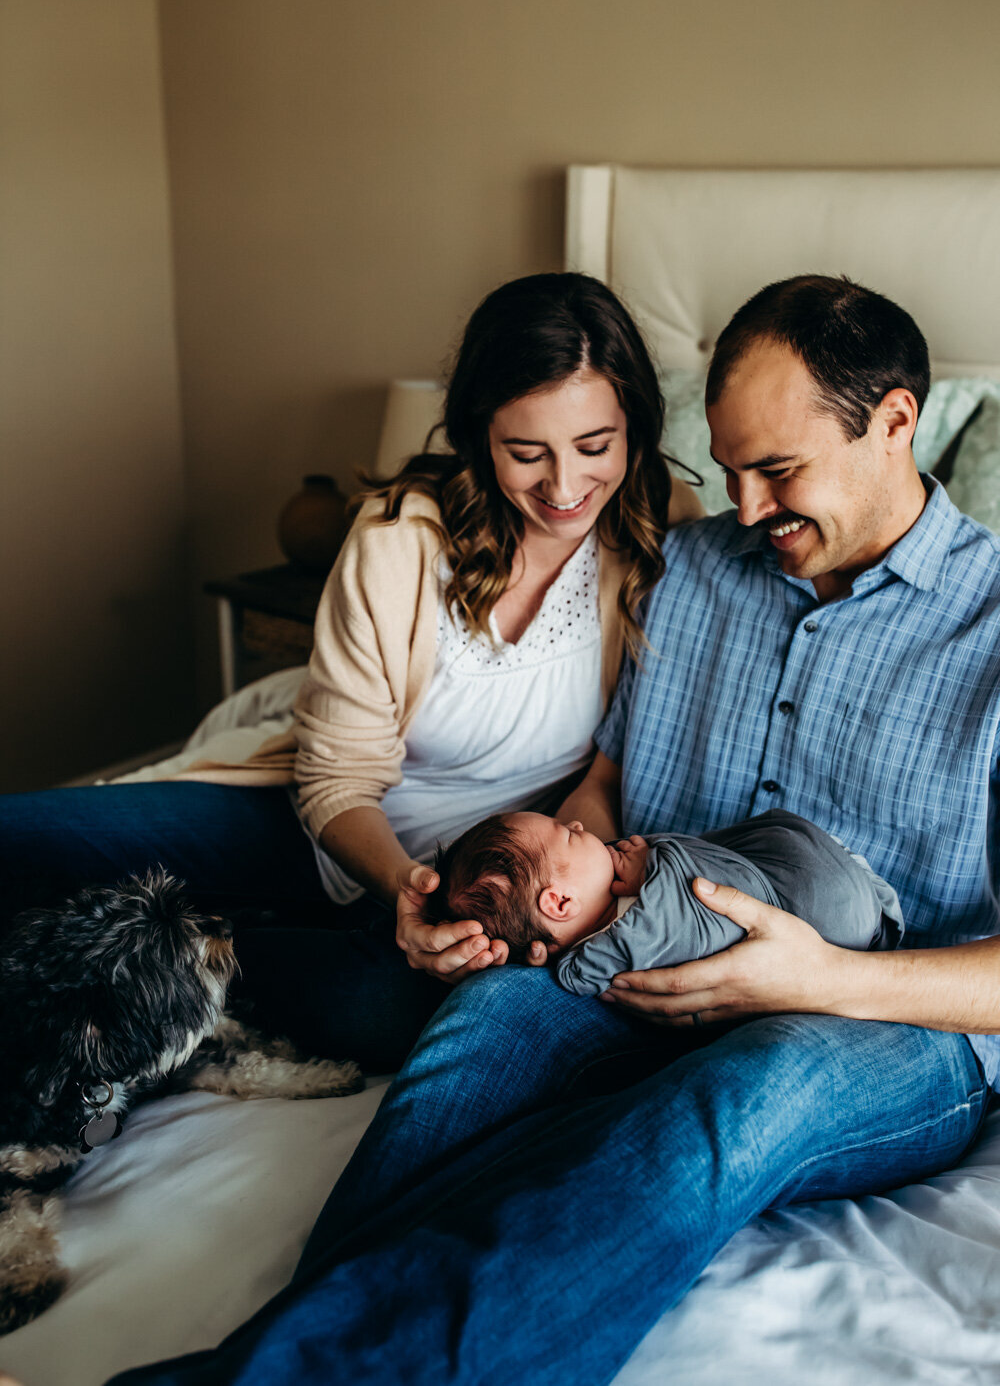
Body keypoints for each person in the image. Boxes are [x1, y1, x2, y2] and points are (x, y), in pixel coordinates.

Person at [103, 272, 1000, 1386]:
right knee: (475, 1037)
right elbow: (607, 787)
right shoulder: (693, 567)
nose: (747, 508)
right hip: (631, 947)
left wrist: (819, 978)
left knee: (715, 1111)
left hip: (878, 1015)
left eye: (778, 471)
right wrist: (535, 897)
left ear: (896, 424)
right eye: (725, 472)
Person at [0, 271, 701, 1072]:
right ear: (478, 433)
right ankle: (208, 929)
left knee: (379, 1012)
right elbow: (335, 775)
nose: (565, 487)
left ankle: (207, 953)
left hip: (495, 883)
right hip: (329, 829)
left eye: (594, 447)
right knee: (27, 840)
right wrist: (405, 890)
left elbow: (610, 772)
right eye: (526, 453)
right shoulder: (399, 538)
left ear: (634, 429)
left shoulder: (662, 527)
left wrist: (496, 905)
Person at [428, 807, 904, 992]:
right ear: (558, 903)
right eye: (568, 835)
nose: (577, 824)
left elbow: (578, 976)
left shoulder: (592, 949)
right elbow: (684, 908)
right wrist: (660, 866)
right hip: (826, 904)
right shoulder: (637, 923)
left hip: (810, 902)